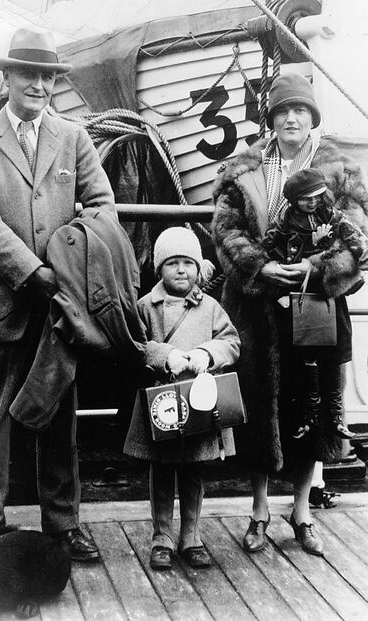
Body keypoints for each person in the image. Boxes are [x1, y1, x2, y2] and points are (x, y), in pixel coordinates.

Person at [0, 28, 116, 560]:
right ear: (8, 78)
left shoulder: (74, 138)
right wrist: (32, 270)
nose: (40, 85)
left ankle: (62, 524)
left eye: (48, 76)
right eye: (29, 74)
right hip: (4, 300)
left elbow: (101, 208)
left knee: (59, 414)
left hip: (59, 304)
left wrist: (64, 265)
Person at [212, 72, 368, 556]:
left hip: (316, 306)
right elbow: (225, 230)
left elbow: (357, 239)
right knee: (258, 405)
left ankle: (301, 510)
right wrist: (261, 267)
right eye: (282, 111)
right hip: (258, 307)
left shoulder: (340, 172)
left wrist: (313, 269)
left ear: (312, 116)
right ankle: (259, 510)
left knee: (312, 407)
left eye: (300, 110)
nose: (291, 118)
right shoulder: (242, 169)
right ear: (271, 118)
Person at [124, 227, 240, 570]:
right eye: (172, 263)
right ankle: (162, 537)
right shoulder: (146, 306)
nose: (180, 270)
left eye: (187, 263)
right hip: (163, 404)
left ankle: (191, 537)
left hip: (201, 404)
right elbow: (135, 344)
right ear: (159, 268)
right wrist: (166, 355)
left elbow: (231, 341)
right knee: (161, 470)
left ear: (198, 267)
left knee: (193, 471)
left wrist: (207, 352)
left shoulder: (211, 307)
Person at [263, 167, 368, 440]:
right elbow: (270, 247)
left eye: (316, 196)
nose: (311, 203)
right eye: (305, 198)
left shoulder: (330, 215)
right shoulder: (285, 221)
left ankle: (334, 417)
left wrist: (353, 249)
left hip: (330, 295)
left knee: (336, 354)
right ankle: (308, 415)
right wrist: (310, 247)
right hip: (302, 296)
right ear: (293, 199)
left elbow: (353, 236)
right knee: (305, 355)